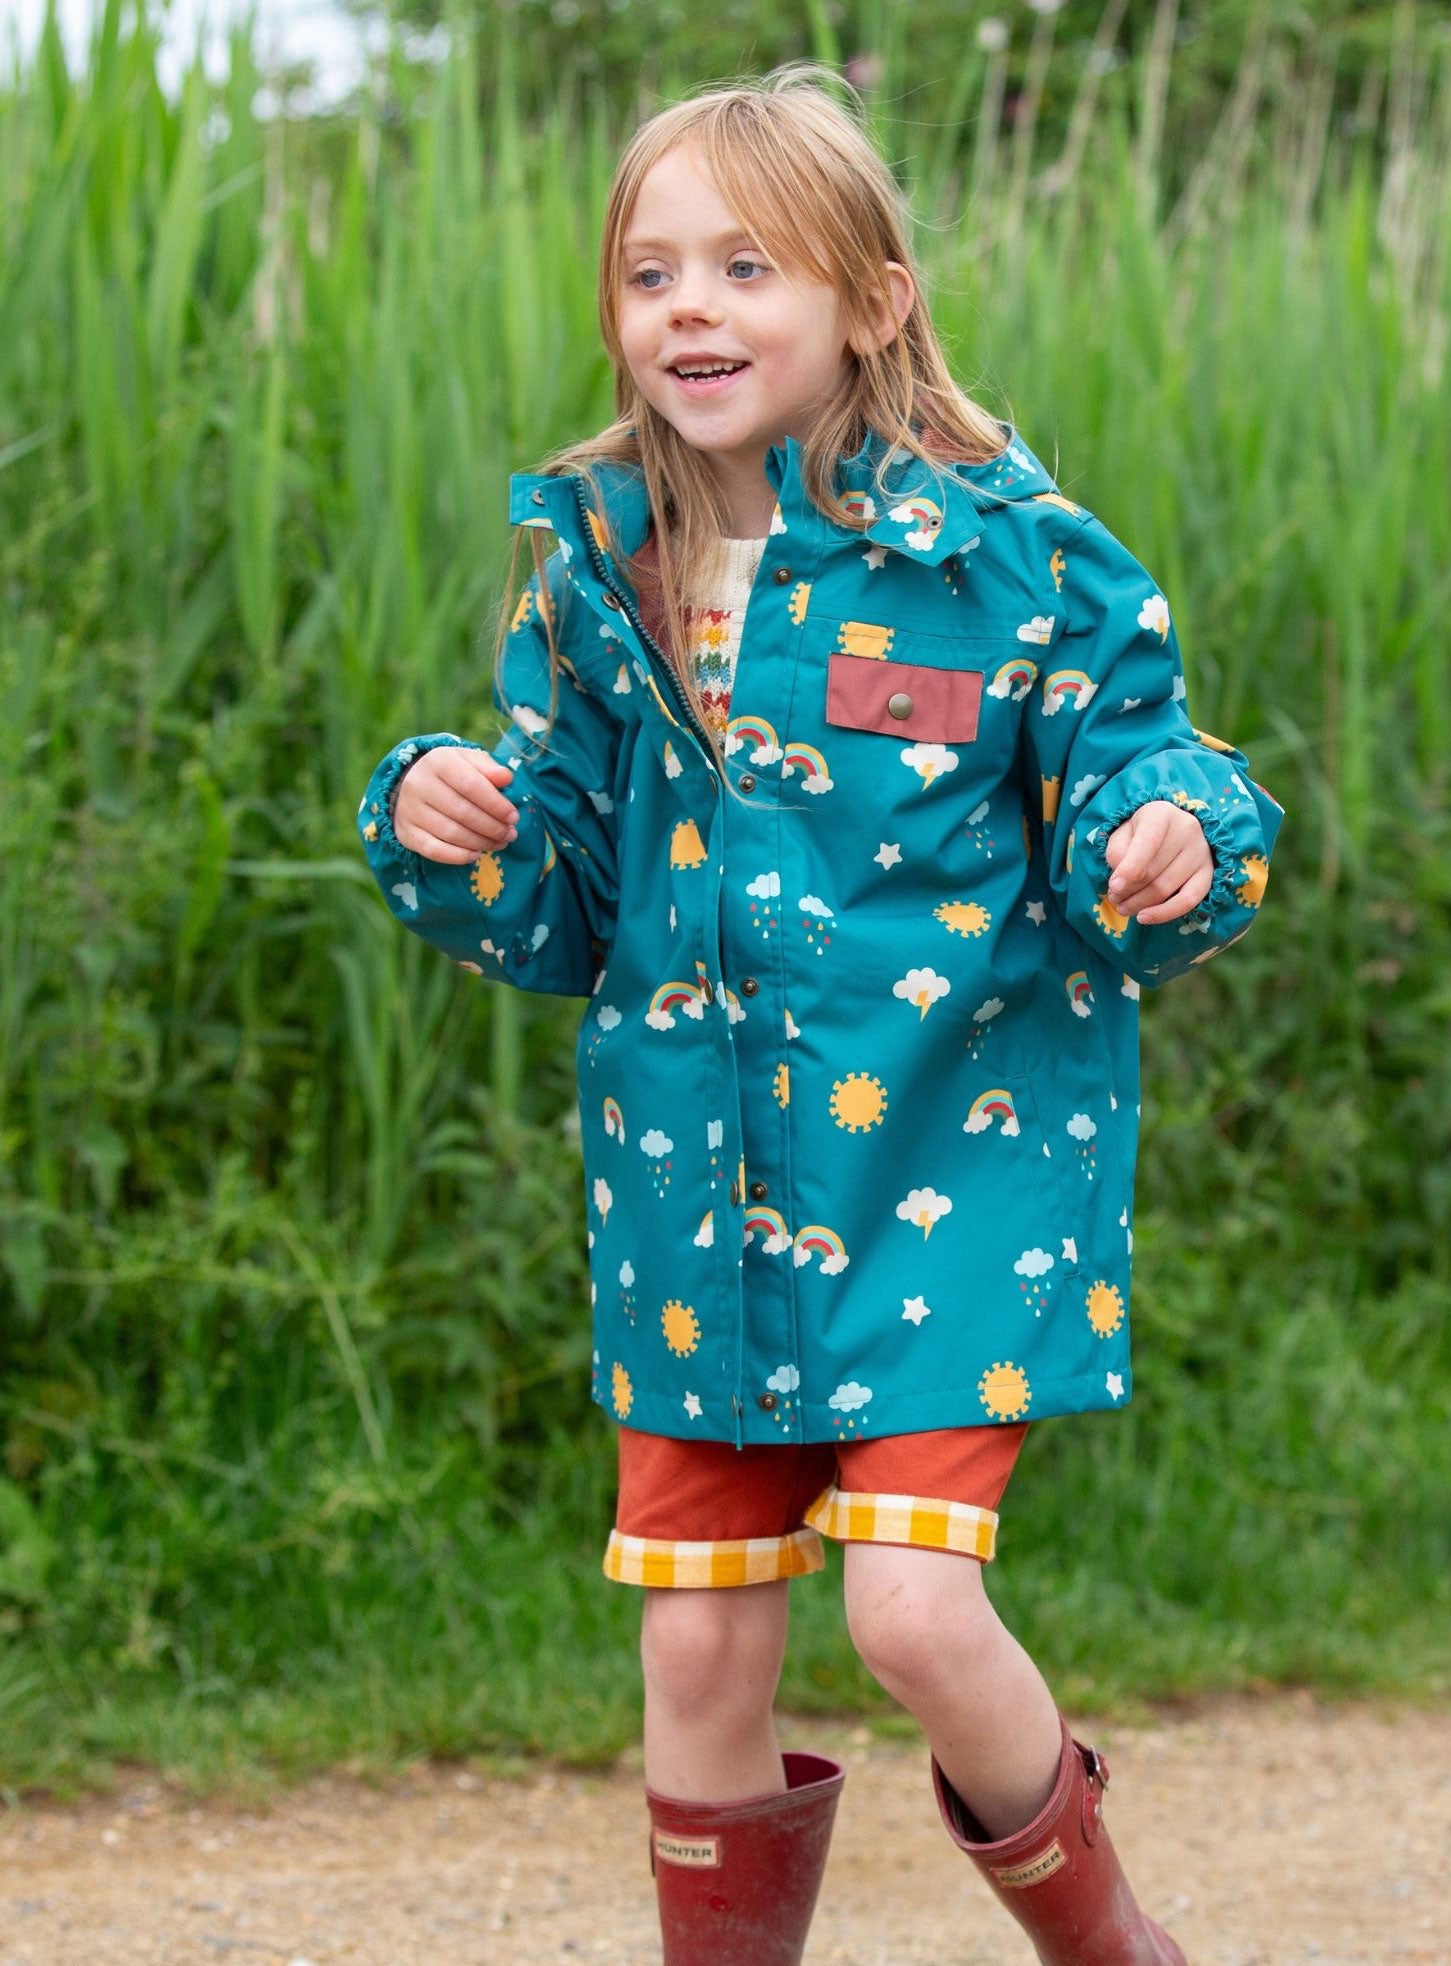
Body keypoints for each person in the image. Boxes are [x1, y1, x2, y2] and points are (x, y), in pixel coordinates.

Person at [356, 63, 1283, 1966]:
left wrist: (1164, 831)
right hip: (689, 1194)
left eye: (746, 265)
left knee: (915, 1618)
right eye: (651, 272)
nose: (688, 307)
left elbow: (1138, 755)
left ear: (868, 296)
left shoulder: (1003, 558)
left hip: (948, 1164)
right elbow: (568, 913)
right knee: (695, 1637)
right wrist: (453, 825)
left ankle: (1112, 1948)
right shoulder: (598, 573)